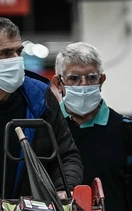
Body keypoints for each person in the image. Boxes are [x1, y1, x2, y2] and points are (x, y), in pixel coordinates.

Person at [52, 42, 132, 211]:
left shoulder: (127, 131)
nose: (84, 85)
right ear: (59, 84)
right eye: (74, 78)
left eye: (91, 77)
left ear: (101, 80)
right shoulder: (45, 130)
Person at [0, 17, 83, 200]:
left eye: (18, 51)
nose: (16, 60)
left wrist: (64, 188)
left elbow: (67, 155)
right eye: (5, 53)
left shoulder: (39, 97)